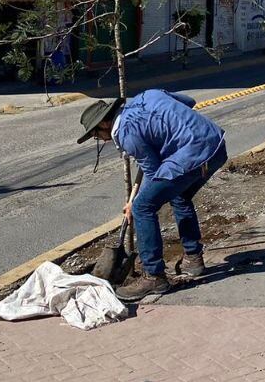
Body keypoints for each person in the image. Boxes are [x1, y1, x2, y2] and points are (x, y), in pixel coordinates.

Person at [76, 91, 227, 301]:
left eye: (96, 135)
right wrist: (166, 131)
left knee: (142, 207)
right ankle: (193, 259)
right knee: (179, 195)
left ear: (104, 124)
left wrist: (133, 203)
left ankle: (153, 276)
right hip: (216, 145)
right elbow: (189, 102)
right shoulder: (147, 96)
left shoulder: (127, 133)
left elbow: (154, 172)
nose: (99, 139)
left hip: (192, 154)